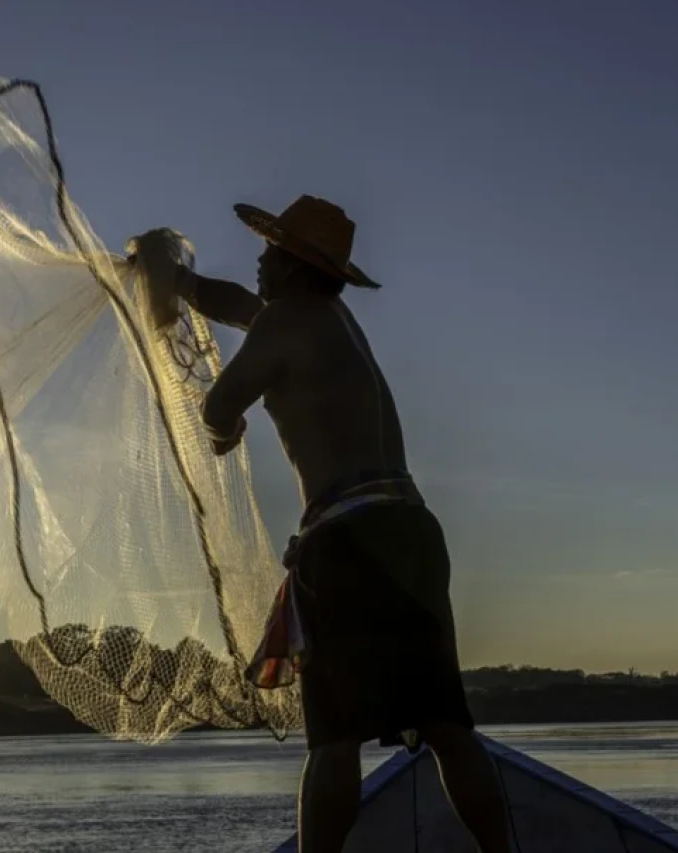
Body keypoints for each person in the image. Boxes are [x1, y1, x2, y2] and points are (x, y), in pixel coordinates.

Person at [174, 195, 513, 853]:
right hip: (411, 530)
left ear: (296, 266)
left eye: (271, 251)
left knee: (333, 737)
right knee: (446, 725)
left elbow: (218, 404)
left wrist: (227, 429)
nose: (260, 258)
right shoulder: (328, 319)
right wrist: (183, 286)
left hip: (349, 540)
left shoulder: (287, 321)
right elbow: (238, 305)